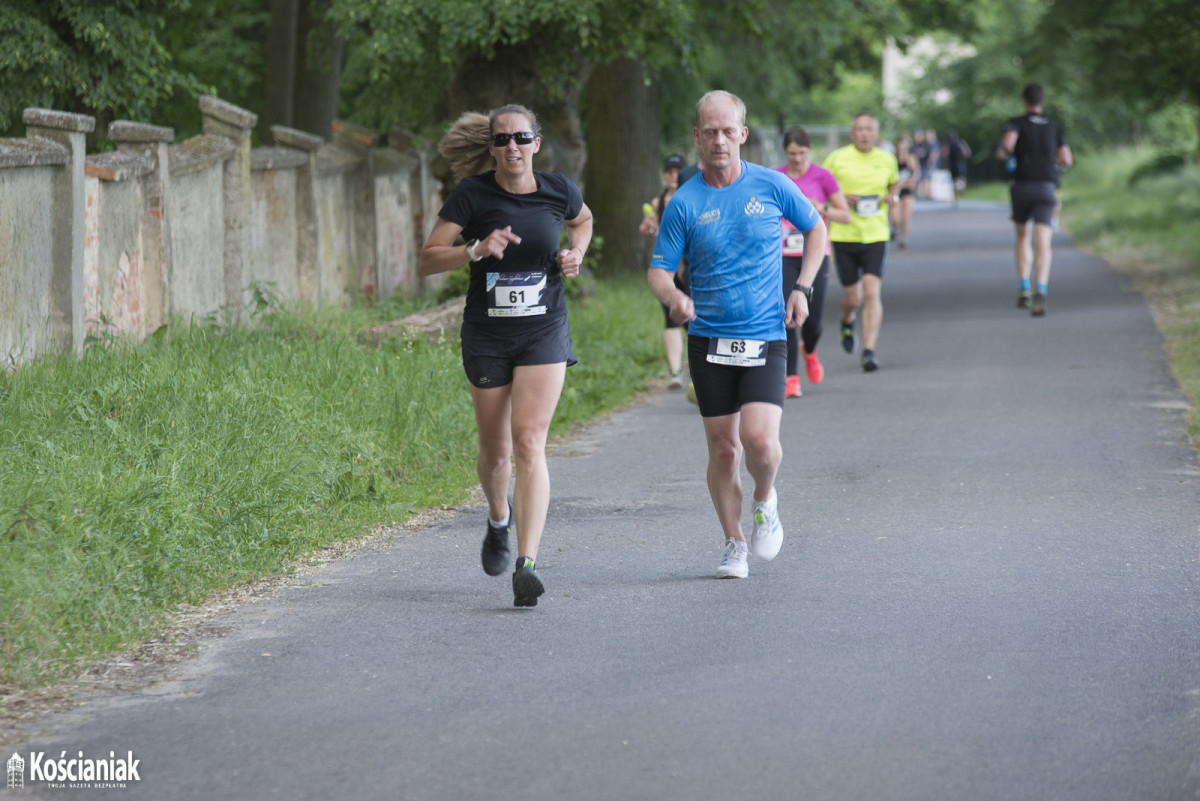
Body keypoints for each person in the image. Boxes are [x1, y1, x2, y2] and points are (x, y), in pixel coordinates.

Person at [418, 104, 594, 607]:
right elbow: (427, 259)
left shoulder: (559, 190)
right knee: (496, 452)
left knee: (529, 441)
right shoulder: (472, 195)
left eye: (520, 138)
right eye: (501, 140)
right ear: (491, 147)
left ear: (537, 142)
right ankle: (499, 518)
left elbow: (582, 221)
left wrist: (574, 253)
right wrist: (474, 250)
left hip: (544, 329)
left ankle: (527, 563)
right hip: (488, 335)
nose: (511, 147)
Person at [648, 90, 828, 579]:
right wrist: (674, 298)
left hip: (767, 333)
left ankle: (766, 500)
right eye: (711, 132)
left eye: (729, 131)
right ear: (697, 138)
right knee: (724, 449)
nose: (720, 140)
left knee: (760, 444)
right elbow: (659, 270)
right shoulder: (684, 202)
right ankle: (734, 543)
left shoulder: (771, 185)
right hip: (709, 340)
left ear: (743, 135)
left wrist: (803, 288)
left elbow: (817, 230)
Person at [774, 126, 852, 398]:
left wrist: (821, 209)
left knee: (813, 320)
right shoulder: (776, 176)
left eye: (802, 153)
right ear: (785, 152)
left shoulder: (823, 176)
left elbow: (845, 216)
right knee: (787, 315)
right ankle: (791, 376)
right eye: (792, 153)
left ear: (809, 151)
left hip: (816, 253)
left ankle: (810, 349)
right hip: (783, 255)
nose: (797, 159)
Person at [823, 112, 899, 372]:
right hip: (844, 235)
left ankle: (868, 351)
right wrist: (844, 198)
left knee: (871, 291)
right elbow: (821, 191)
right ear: (852, 134)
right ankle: (847, 320)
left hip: (876, 234)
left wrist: (892, 198)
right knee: (852, 298)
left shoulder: (887, 159)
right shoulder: (837, 159)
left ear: (876, 134)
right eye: (860, 130)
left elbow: (894, 185)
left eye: (869, 129)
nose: (865, 134)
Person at [995, 83, 1072, 316]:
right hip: (1047, 187)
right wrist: (1053, 161)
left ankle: (1023, 287)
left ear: (1024, 101)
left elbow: (1007, 145)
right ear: (1043, 102)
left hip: (1021, 185)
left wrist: (1007, 154)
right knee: (1043, 242)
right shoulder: (1054, 126)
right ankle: (1041, 288)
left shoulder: (1016, 123)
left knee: (1022, 237)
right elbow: (1066, 158)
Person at [639, 154, 690, 390]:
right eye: (670, 171)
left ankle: (706, 371)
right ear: (664, 174)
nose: (674, 176)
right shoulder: (658, 202)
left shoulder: (692, 197)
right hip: (666, 269)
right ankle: (675, 373)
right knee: (671, 318)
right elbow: (652, 232)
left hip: (689, 268)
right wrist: (649, 228)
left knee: (694, 320)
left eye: (678, 171)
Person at [890, 131, 919, 249]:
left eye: (905, 145)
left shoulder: (911, 158)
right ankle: (895, 229)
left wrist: (912, 181)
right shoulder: (892, 159)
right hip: (896, 192)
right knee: (895, 218)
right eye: (900, 145)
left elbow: (916, 173)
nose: (902, 148)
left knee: (906, 215)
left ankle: (903, 238)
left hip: (907, 192)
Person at [945, 129, 972, 203]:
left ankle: (958, 192)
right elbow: (944, 154)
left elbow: (967, 153)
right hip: (953, 165)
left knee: (960, 180)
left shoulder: (960, 143)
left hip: (959, 164)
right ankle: (956, 197)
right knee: (955, 181)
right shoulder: (949, 145)